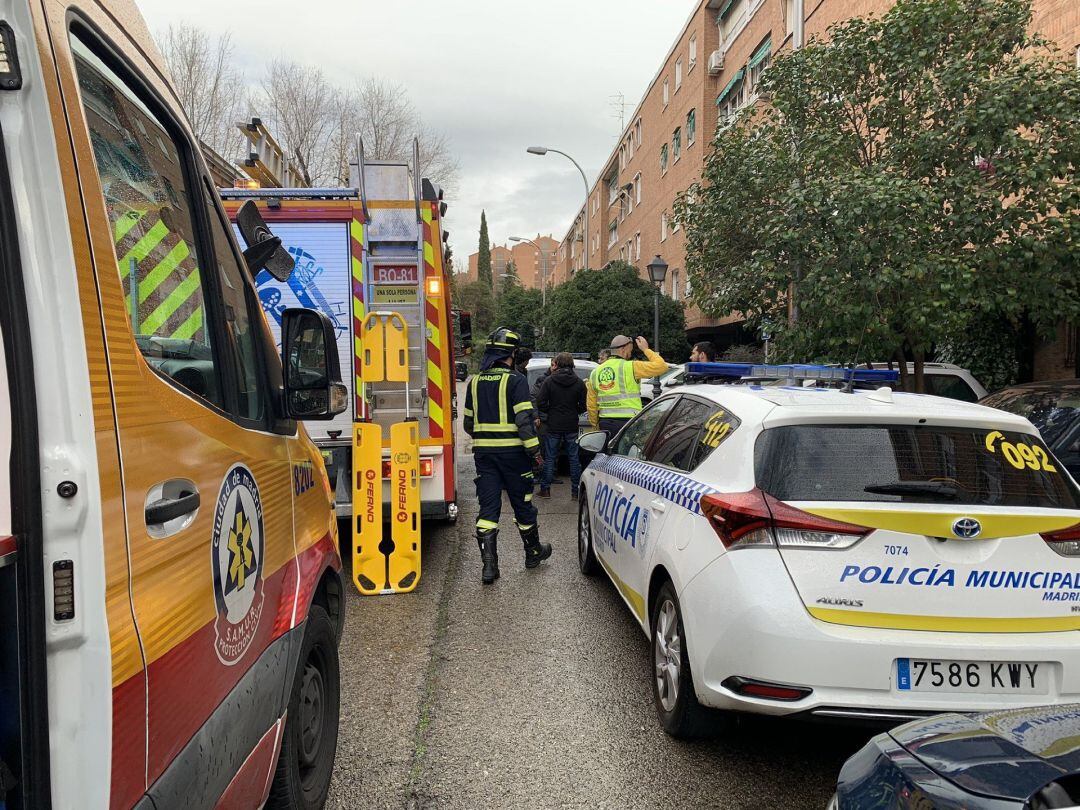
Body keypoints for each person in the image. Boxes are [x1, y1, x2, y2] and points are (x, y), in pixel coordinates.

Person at [463, 328, 552, 584]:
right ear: (512, 354)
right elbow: (524, 421)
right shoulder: (515, 381)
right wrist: (535, 451)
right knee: (522, 504)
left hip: (485, 456)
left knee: (488, 508)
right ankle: (533, 553)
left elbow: (469, 424)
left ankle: (489, 568)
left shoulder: (475, 381)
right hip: (514, 456)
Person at [588, 335, 668, 435]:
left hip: (605, 423)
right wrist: (646, 349)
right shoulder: (632, 366)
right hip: (629, 423)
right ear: (623, 350)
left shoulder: (595, 372)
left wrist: (595, 425)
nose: (630, 354)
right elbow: (662, 366)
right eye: (629, 351)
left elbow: (591, 404)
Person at [536, 353, 587, 499]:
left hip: (554, 424)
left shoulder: (549, 381)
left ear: (557, 364)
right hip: (571, 424)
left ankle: (545, 490)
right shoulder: (578, 382)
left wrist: (550, 411)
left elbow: (540, 402)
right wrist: (574, 411)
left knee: (550, 457)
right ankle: (575, 492)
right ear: (572, 364)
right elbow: (584, 406)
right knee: (574, 458)